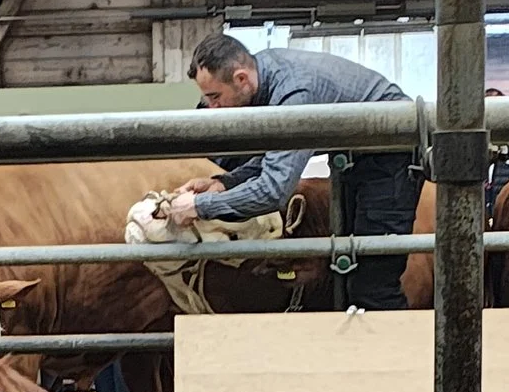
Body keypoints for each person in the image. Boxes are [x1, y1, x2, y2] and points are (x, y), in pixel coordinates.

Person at [169, 31, 419, 308]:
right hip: (355, 157)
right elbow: (274, 157)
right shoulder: (263, 75)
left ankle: (403, 350)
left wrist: (200, 206)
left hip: (391, 155)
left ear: (241, 79)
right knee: (345, 267)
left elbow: (274, 189)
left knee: (373, 283)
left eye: (215, 97)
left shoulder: (293, 93)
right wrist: (223, 183)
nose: (213, 108)